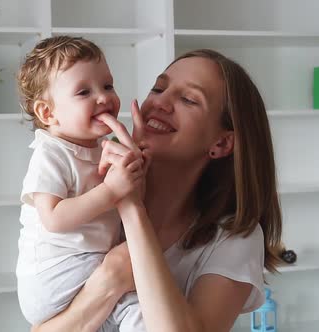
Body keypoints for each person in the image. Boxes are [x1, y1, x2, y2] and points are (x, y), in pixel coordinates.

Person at [32, 49, 283, 332]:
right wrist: (108, 282)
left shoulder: (236, 239)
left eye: (188, 99)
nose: (160, 102)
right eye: (159, 88)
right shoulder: (90, 197)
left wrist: (131, 207)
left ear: (222, 144)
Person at [15, 36, 147, 331]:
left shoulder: (103, 148)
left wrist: (136, 166)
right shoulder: (50, 153)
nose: (103, 98)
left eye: (108, 86)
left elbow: (133, 203)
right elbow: (53, 218)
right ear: (48, 113)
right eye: (84, 91)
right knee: (134, 274)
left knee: (138, 311)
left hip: (87, 269)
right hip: (54, 274)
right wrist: (111, 190)